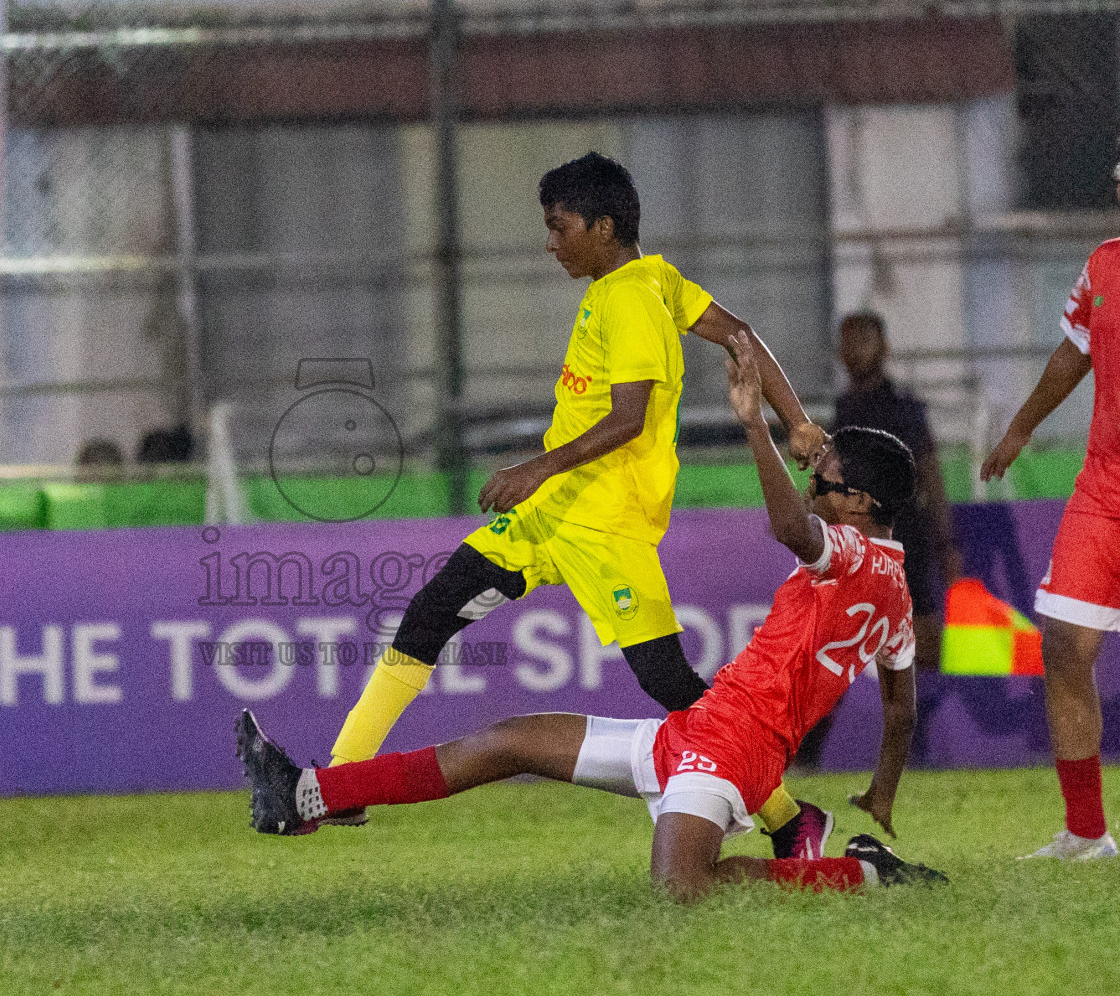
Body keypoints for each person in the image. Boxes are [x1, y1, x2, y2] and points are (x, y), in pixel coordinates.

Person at [238, 335, 944, 901]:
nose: (812, 483)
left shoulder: (848, 551)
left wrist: (754, 426)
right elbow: (901, 709)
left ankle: (859, 875)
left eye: (824, 480)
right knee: (506, 741)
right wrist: (882, 788)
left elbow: (792, 531)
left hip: (730, 750)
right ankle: (305, 792)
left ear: (860, 505)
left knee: (683, 891)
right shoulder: (897, 593)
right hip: (706, 731)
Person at [325, 152, 833, 856]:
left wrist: (536, 466)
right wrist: (798, 420)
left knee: (671, 684)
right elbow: (741, 334)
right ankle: (342, 781)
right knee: (434, 609)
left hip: (605, 524)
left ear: (602, 226)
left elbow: (629, 417)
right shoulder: (653, 280)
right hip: (551, 516)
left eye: (559, 228)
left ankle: (788, 820)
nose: (550, 243)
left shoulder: (629, 297)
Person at [980, 161, 1120, 861]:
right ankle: (1087, 834)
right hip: (1105, 489)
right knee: (1063, 644)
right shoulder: (1103, 265)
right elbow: (1075, 354)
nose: (1119, 175)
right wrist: (1021, 426)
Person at [796, 311, 963, 768]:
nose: (854, 350)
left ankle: (917, 746)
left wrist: (946, 542)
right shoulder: (843, 412)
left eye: (863, 340)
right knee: (838, 652)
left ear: (884, 347)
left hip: (908, 540)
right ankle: (808, 752)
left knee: (924, 647)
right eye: (847, 342)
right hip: (859, 550)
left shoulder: (906, 408)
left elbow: (929, 472)